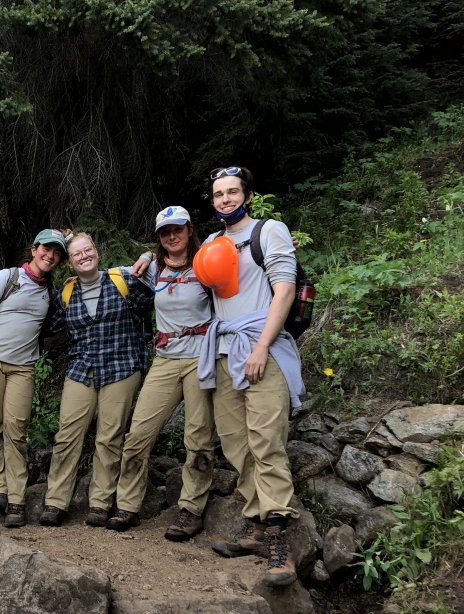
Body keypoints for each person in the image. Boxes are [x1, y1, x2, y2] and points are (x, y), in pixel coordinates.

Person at [197, 167, 306, 587]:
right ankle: (258, 530)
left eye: (232, 192)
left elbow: (284, 290)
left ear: (248, 195)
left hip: (261, 350)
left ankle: (280, 544)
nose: (225, 199)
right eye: (218, 195)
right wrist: (150, 259)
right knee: (237, 443)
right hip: (224, 353)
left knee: (266, 441)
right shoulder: (211, 242)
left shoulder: (269, 230)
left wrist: (261, 346)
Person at [112, 206, 216, 539]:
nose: (172, 236)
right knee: (138, 433)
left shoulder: (206, 263)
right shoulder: (153, 267)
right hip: (166, 359)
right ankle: (127, 505)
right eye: (165, 232)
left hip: (201, 357)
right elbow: (112, 275)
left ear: (189, 229)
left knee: (198, 438)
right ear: (159, 238)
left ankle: (190, 511)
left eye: (178, 230)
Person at [39, 232, 155, 527]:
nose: (84, 256)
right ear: (69, 263)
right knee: (67, 435)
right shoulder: (66, 294)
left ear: (96, 251)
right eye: (77, 254)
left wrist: (149, 256)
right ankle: (55, 502)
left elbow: (158, 296)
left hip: (122, 367)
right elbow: (45, 325)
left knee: (109, 437)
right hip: (81, 369)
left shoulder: (123, 279)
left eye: (88, 249)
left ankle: (100, 503)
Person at [0, 229, 65, 526]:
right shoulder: (7, 277)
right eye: (46, 249)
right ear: (34, 250)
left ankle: (17, 501)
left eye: (56, 253)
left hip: (24, 368)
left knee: (16, 430)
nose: (50, 256)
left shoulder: (50, 291)